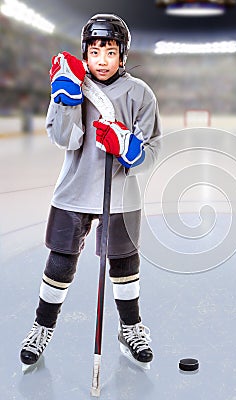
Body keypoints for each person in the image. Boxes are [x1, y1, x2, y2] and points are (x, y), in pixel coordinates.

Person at [20, 14, 162, 371]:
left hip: (121, 195)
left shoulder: (140, 93)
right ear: (85, 53)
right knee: (61, 260)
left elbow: (152, 151)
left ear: (122, 56)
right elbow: (65, 139)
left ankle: (130, 328)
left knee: (124, 262)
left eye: (110, 52)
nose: (102, 60)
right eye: (95, 52)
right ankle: (42, 326)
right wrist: (66, 100)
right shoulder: (70, 81)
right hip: (75, 190)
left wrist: (128, 148)